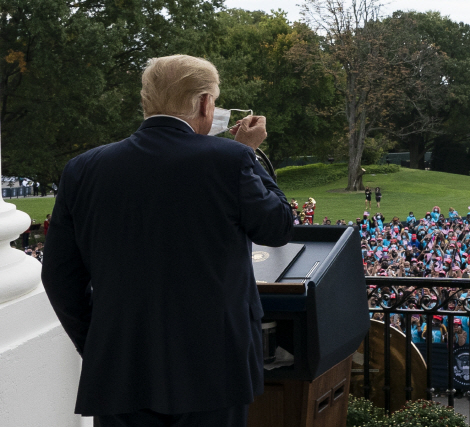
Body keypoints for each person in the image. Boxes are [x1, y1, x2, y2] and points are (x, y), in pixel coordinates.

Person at [41, 55, 294, 427]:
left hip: (120, 365)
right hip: (215, 364)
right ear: (205, 103)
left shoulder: (83, 168)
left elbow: (59, 275)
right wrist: (251, 153)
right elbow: (278, 227)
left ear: (147, 101)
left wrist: (98, 341)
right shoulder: (232, 159)